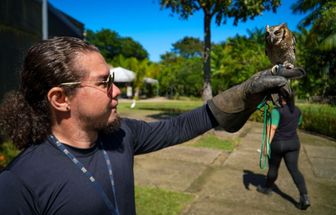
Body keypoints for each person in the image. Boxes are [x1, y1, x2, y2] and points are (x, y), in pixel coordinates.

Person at [0, 36, 305, 215]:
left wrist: (246, 91)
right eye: (104, 83)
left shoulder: (120, 134)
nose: (116, 91)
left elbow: (186, 124)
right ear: (60, 98)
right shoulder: (19, 184)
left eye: (114, 80)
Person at [257, 92, 310, 210]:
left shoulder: (276, 111)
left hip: (278, 144)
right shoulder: (297, 110)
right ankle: (304, 197)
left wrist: (266, 145)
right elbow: (298, 123)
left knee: (273, 168)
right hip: (293, 143)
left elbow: (272, 128)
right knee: (294, 170)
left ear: (281, 98)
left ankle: (267, 188)